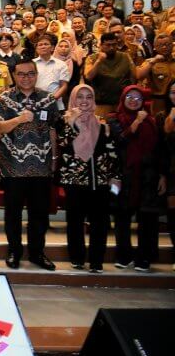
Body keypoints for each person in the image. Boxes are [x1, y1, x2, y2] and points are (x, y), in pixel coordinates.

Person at [0, 59, 60, 271]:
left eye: (30, 73)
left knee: (38, 214)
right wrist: (20, 119)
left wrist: (53, 160)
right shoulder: (4, 99)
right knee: (12, 213)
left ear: (36, 74)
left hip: (41, 166)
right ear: (14, 76)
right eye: (21, 74)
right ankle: (14, 251)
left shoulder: (48, 99)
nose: (26, 78)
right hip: (13, 166)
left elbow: (53, 129)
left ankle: (37, 253)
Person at [56, 84, 120, 273]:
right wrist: (72, 123)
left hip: (98, 181)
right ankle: (76, 258)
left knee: (99, 223)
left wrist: (115, 177)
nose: (84, 101)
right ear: (73, 100)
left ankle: (96, 261)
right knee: (75, 222)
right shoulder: (63, 121)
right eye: (80, 97)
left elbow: (112, 154)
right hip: (74, 182)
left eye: (88, 97)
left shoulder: (102, 125)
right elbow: (62, 144)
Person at [110, 85, 166, 272]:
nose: (133, 101)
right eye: (130, 97)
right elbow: (120, 141)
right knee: (122, 219)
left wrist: (162, 175)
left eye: (138, 98)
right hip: (123, 177)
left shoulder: (152, 122)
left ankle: (144, 257)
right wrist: (136, 123)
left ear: (143, 102)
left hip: (147, 177)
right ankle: (124, 256)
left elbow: (159, 150)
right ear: (123, 98)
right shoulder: (115, 119)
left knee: (148, 220)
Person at [84, 31, 135, 115]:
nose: (111, 48)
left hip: (122, 104)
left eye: (114, 45)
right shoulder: (92, 58)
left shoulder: (125, 57)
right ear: (101, 45)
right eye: (108, 45)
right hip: (101, 104)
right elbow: (88, 76)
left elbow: (134, 76)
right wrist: (99, 61)